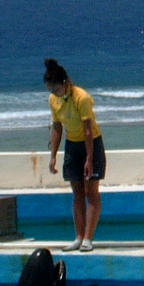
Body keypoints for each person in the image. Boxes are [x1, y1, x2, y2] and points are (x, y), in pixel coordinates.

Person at [44, 58, 106, 252]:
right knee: (77, 193)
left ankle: (88, 238)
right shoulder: (54, 100)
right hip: (72, 145)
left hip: (91, 144)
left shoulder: (82, 97)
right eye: (50, 90)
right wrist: (53, 155)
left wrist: (89, 158)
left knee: (91, 192)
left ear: (64, 83)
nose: (53, 93)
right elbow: (57, 127)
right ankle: (78, 237)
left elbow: (88, 130)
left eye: (56, 89)